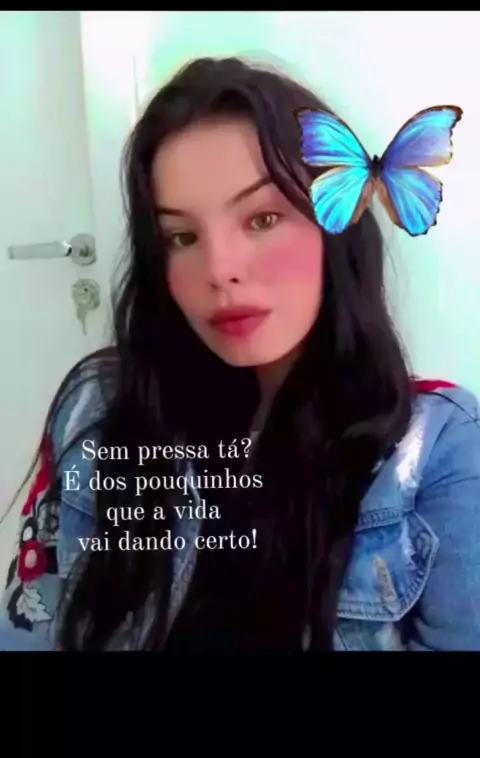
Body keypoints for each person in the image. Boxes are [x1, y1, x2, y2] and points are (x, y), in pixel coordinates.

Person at [1, 56, 479, 652]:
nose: (219, 269)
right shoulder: (103, 405)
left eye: (263, 218)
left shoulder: (441, 447)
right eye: (181, 236)